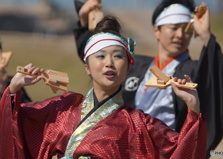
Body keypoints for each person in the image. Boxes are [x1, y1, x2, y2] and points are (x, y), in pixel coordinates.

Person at [0, 15, 207, 158]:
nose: (109, 62)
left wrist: (193, 107)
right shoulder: (63, 107)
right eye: (100, 56)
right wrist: (14, 91)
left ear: (128, 68)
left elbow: (184, 150)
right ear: (87, 67)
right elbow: (13, 124)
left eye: (118, 56)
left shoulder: (140, 124)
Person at [73, 0, 223, 156]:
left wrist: (206, 35)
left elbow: (219, 78)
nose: (180, 35)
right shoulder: (137, 65)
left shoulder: (193, 71)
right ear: (156, 29)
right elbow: (97, 61)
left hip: (168, 151)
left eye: (186, 29)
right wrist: (83, 22)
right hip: (127, 150)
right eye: (173, 28)